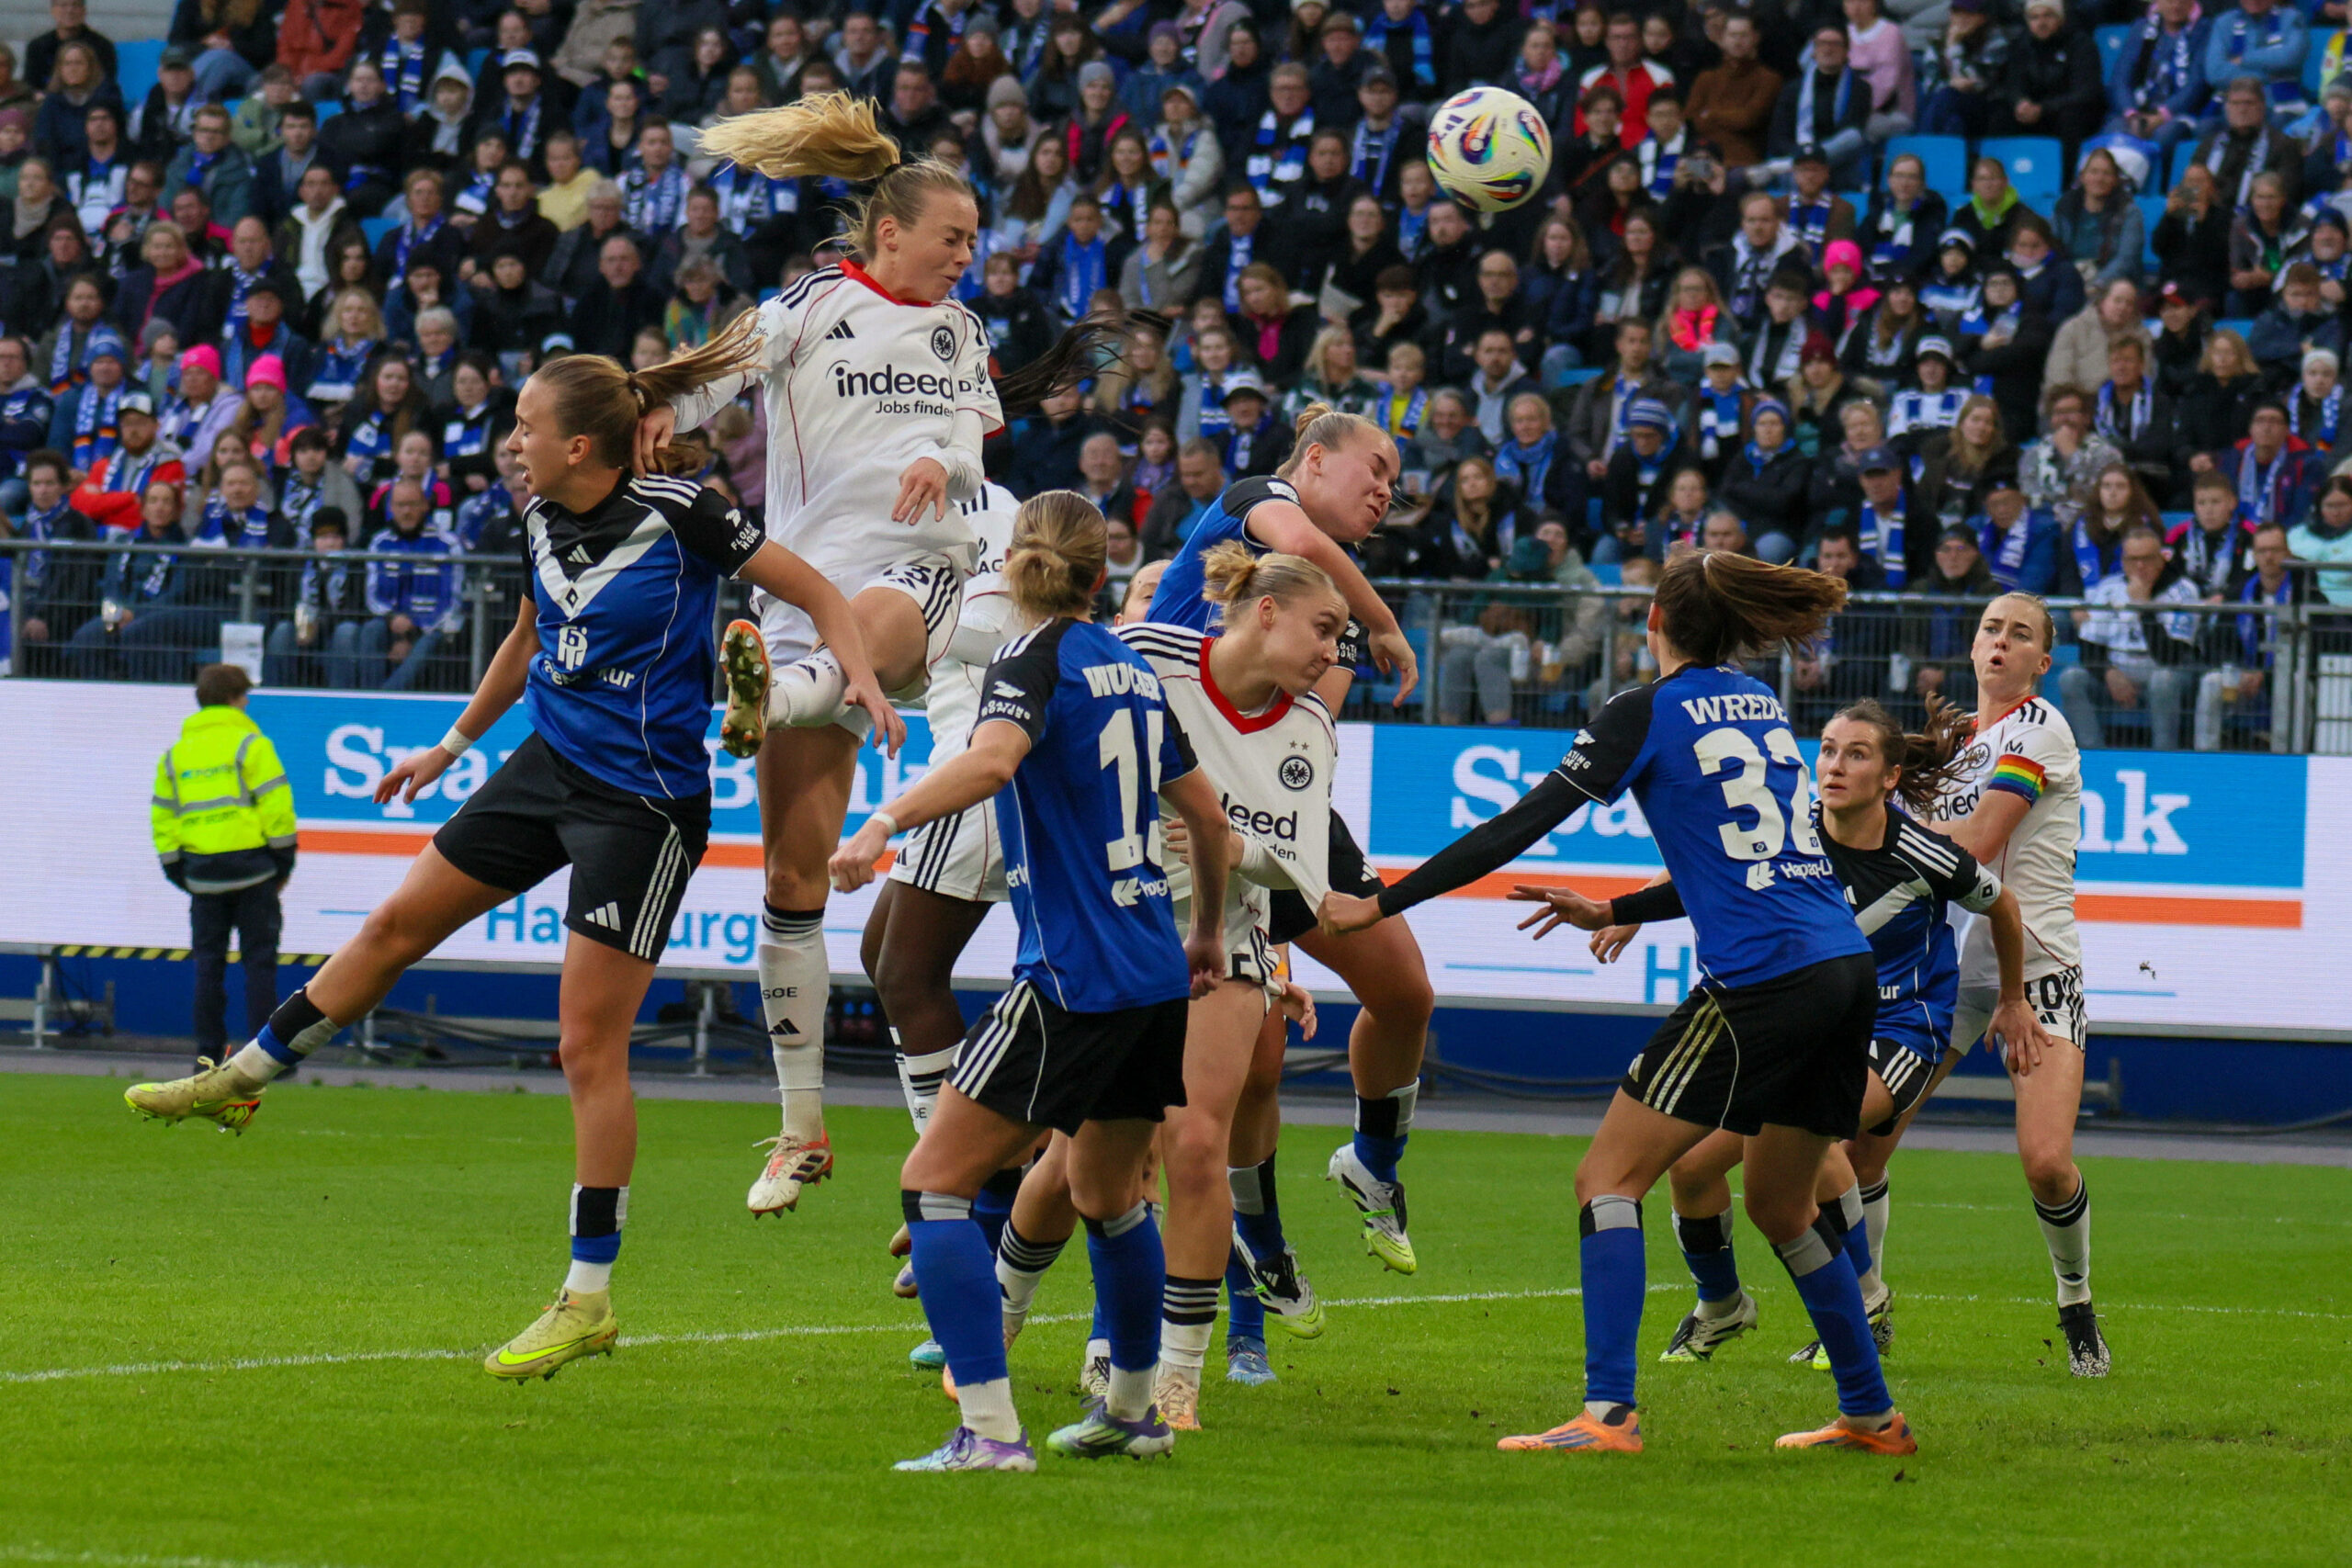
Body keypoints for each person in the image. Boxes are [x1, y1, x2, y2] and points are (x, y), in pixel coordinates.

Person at [125, 327, 894, 1381]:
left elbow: (817, 592)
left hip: (643, 802)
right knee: (396, 923)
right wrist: (449, 747)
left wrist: (861, 677)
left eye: (527, 427)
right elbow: (528, 636)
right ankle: (245, 1075)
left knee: (586, 1048)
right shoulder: (533, 517)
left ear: (584, 445)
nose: (511, 443)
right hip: (544, 766)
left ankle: (587, 1297)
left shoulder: (679, 514)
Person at [637, 94, 1118, 1214]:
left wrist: (940, 475)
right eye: (954, 238)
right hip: (802, 589)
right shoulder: (805, 309)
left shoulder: (960, 334)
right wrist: (659, 408)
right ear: (887, 234)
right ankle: (803, 1130)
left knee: (891, 633)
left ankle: (788, 690)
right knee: (791, 884)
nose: (967, 257)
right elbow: (706, 378)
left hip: (921, 566)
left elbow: (964, 445)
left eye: (975, 243)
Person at [1322, 549, 1914, 1457]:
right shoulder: (1761, 708)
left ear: (1653, 624)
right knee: (1782, 1208)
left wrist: (1382, 900)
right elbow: (1763, 857)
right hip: (1842, 968)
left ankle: (1607, 1416)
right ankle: (1871, 1416)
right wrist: (1616, 908)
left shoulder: (1644, 710)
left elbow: (1518, 823)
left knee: (1607, 1179)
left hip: (1762, 978)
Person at [827, 490, 1234, 1472]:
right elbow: (1209, 820)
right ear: (1102, 572)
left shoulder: (1029, 662)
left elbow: (991, 761)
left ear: (1013, 564)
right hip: (1150, 974)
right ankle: (1132, 1413)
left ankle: (989, 1431)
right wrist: (1208, 933)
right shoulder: (1134, 670)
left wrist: (882, 825)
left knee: (930, 1186)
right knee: (1108, 1194)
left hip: (1074, 977)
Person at [1627, 699, 2051, 1366]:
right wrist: (1628, 910)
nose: (1834, 765)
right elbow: (1709, 862)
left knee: (1820, 1133)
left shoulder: (1919, 853)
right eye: (1826, 749)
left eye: (1855, 754)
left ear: (1888, 776)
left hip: (1902, 1026)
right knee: (1691, 1166)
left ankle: (1866, 1298)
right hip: (1807, 1023)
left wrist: (2012, 999)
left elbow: (2002, 903)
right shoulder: (1790, 830)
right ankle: (1721, 1304)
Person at [1145, 408, 1435, 1292]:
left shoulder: (1328, 603)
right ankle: (1254, 1245)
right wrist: (1386, 621)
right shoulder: (1257, 500)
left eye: (1395, 481)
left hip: (1269, 804)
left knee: (1406, 991)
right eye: (1374, 468)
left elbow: (1310, 725)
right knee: (1232, 1075)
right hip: (1168, 798)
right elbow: (1300, 533)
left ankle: (1373, 1161)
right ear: (1312, 459)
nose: (1386, 489)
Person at [1924, 592, 2109, 1376]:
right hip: (1956, 968)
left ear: (2044, 660)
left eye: (2020, 634)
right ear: (1973, 648)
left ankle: (2076, 1301)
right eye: (1992, 629)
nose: (2001, 642)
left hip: (2035, 967)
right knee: (1865, 1135)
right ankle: (1866, 1309)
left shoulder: (2041, 729)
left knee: (2044, 1161)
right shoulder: (1954, 741)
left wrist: (1873, 835)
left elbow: (1976, 843)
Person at [149, 661, 294, 1073]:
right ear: (234, 699)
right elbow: (277, 808)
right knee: (260, 964)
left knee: (208, 967)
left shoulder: (176, 755)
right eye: (244, 696)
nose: (248, 703)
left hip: (202, 876)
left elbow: (163, 819)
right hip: (254, 871)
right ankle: (264, 1060)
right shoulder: (252, 745)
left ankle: (207, 1057)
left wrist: (178, 870)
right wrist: (282, 861)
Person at [2062, 523, 2201, 749]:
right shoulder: (2108, 588)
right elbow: (2089, 647)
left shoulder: (2184, 591)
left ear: (2162, 558)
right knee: (2071, 678)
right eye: (2132, 560)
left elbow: (2172, 656)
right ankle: (2093, 754)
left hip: (2166, 673)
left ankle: (2163, 756)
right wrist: (2109, 673)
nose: (2139, 567)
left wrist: (2143, 608)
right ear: (2123, 562)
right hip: (2118, 671)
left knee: (2163, 680)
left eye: (2147, 559)